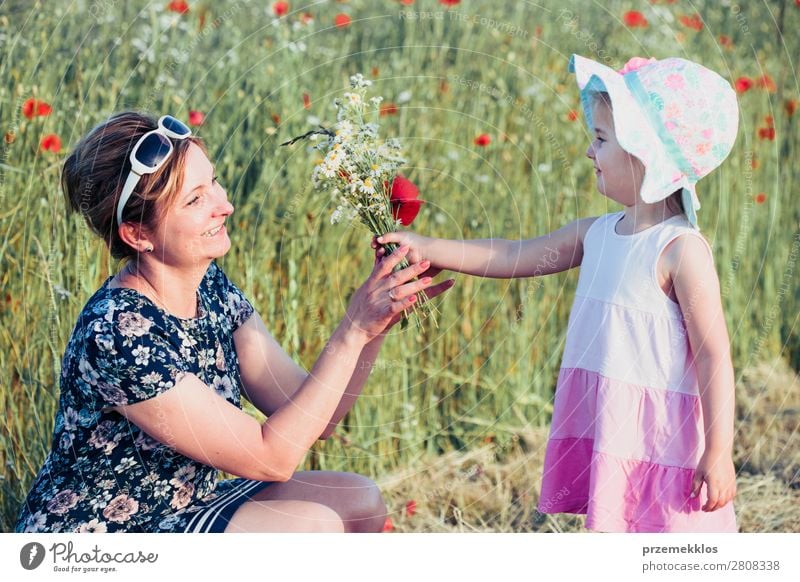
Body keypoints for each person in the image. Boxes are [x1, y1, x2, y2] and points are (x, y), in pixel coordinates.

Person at [15, 111, 453, 533]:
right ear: (137, 234)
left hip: (181, 510)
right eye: (195, 199)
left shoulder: (211, 288)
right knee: (311, 527)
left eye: (214, 183)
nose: (224, 205)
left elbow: (318, 418)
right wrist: (351, 329)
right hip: (106, 539)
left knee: (358, 501)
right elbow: (273, 458)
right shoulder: (117, 333)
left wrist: (373, 327)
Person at [375, 54, 740, 532]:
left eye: (602, 139)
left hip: (662, 443)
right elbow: (513, 256)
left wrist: (718, 452)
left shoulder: (679, 251)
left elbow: (714, 355)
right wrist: (428, 247)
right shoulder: (596, 234)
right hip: (614, 430)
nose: (590, 151)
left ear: (644, 154)